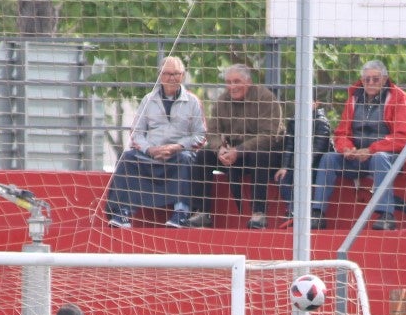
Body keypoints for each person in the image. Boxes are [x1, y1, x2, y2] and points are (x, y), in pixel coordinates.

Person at [310, 59, 406, 232]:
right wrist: (346, 149)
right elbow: (342, 132)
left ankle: (387, 215)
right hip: (357, 156)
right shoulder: (353, 98)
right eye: (367, 79)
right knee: (328, 158)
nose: (371, 83)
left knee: (380, 159)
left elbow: (403, 137)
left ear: (385, 79)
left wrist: (372, 150)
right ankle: (317, 213)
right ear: (362, 80)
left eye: (375, 79)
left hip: (388, 156)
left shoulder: (400, 98)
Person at [104, 56, 207, 230]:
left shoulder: (193, 101)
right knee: (127, 158)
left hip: (178, 154)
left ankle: (181, 213)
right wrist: (150, 149)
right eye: (167, 74)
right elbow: (136, 133)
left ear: (183, 76)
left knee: (186, 159)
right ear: (160, 75)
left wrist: (177, 147)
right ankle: (123, 212)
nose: (172, 78)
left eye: (176, 74)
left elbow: (201, 135)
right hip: (151, 154)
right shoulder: (148, 99)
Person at [186, 64, 283, 230]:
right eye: (228, 82)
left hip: (266, 153)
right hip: (233, 152)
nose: (232, 86)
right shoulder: (223, 101)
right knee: (203, 155)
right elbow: (213, 131)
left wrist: (239, 151)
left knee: (258, 155)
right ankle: (202, 211)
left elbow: (269, 136)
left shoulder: (267, 98)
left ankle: (259, 213)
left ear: (249, 82)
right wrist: (219, 149)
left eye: (236, 81)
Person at [274, 102, 333, 226]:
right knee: (283, 177)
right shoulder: (294, 121)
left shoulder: (321, 122)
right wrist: (285, 167)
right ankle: (292, 211)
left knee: (303, 176)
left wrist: (302, 166)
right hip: (299, 164)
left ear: (315, 104)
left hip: (318, 165)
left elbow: (318, 150)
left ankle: (309, 213)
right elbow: (289, 146)